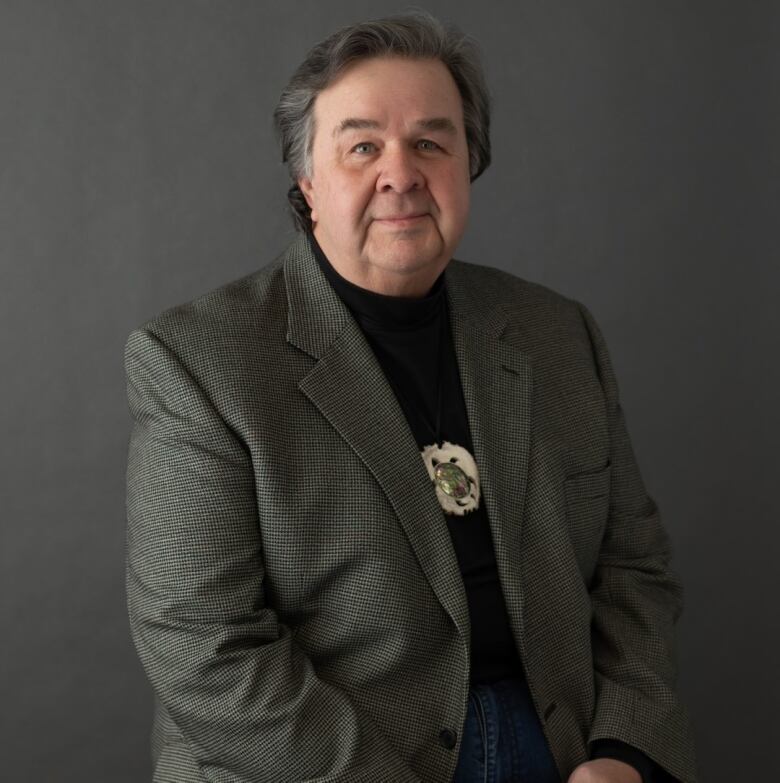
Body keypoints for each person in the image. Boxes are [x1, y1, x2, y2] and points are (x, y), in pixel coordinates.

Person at [124, 11, 697, 783]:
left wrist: (626, 751)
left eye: (432, 142)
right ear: (308, 185)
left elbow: (636, 569)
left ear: (469, 165)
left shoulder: (558, 334)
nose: (401, 172)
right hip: (327, 758)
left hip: (564, 745)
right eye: (362, 146)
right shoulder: (198, 362)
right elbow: (200, 643)